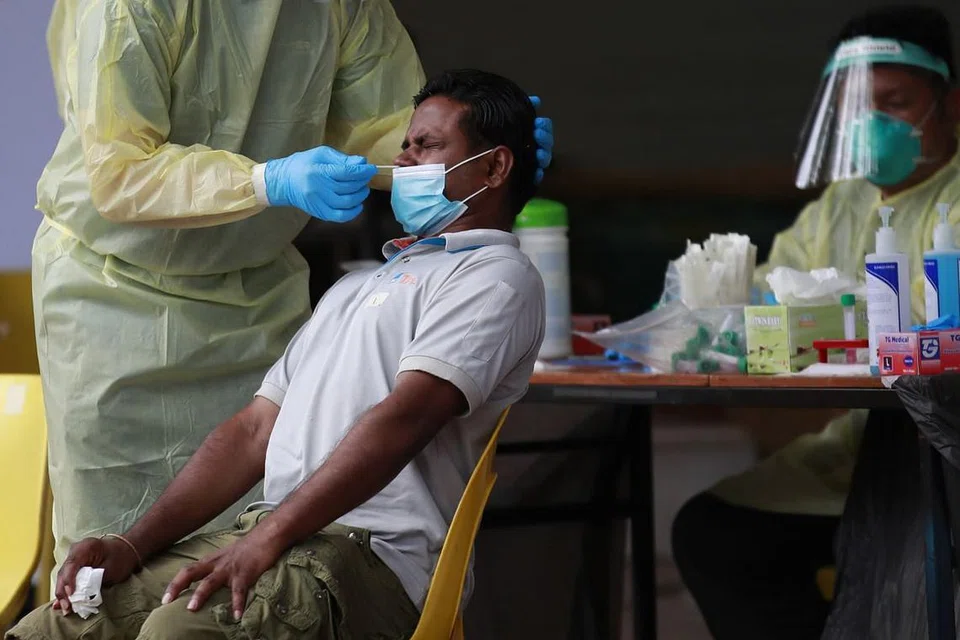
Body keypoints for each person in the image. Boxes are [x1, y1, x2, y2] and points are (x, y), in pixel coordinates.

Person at [9, 68, 546, 640]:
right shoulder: (355, 288)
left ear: (494, 167)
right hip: (272, 532)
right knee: (51, 630)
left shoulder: (495, 276)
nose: (407, 162)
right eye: (406, 146)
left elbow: (405, 418)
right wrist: (131, 543)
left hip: (370, 554)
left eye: (430, 145)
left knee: (178, 633)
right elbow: (253, 432)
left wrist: (269, 538)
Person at [671, 6, 960, 639]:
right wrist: (709, 319)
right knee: (712, 533)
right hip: (849, 455)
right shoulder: (844, 199)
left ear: (952, 105)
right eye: (858, 108)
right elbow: (771, 286)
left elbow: (927, 333)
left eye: (896, 102)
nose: (872, 125)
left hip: (941, 458)